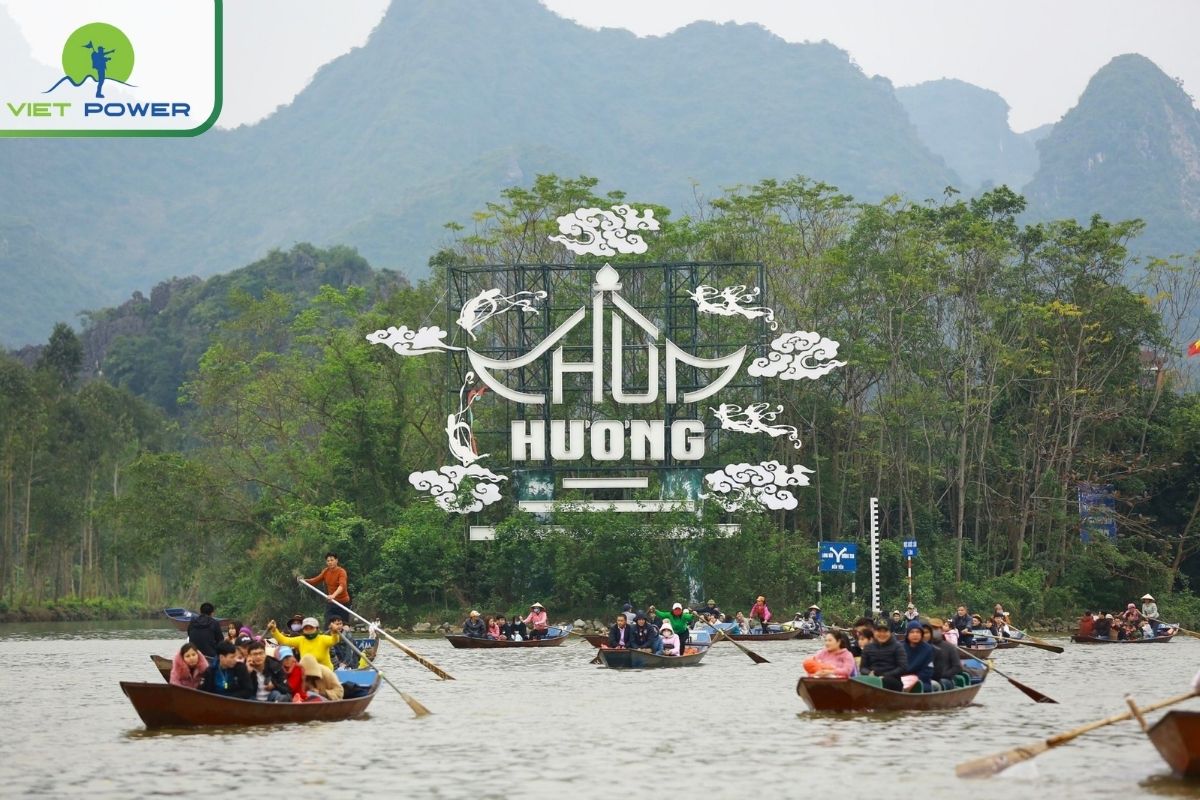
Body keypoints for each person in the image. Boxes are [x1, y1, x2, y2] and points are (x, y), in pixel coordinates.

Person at [267, 615, 340, 669]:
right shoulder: (301, 640)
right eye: (306, 628)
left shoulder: (323, 639)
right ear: (303, 630)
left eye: (311, 628)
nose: (308, 630)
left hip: (325, 673)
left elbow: (334, 640)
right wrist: (274, 630)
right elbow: (284, 640)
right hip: (308, 674)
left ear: (317, 629)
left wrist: (334, 632)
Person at [304, 552, 352, 627]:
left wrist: (333, 595)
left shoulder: (341, 572)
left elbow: (342, 586)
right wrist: (304, 581)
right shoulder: (326, 571)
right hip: (332, 602)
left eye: (332, 560)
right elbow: (315, 580)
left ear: (336, 560)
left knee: (344, 625)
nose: (330, 562)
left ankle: (344, 637)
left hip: (343, 603)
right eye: (328, 561)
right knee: (328, 624)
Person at [860, 621, 909, 691]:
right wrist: (869, 673)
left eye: (885, 631)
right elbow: (862, 668)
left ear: (890, 632)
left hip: (892, 681)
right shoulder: (868, 647)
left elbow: (903, 668)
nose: (882, 634)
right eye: (879, 631)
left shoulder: (898, 647)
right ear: (874, 632)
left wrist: (885, 675)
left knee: (885, 681)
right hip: (872, 679)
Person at [927, 617, 964, 689]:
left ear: (941, 630)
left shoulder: (949, 647)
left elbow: (957, 667)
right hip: (927, 678)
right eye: (932, 629)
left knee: (937, 684)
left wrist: (943, 675)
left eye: (936, 629)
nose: (934, 631)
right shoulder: (925, 646)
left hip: (946, 679)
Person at [902, 622, 935, 692]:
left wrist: (913, 679)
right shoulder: (899, 647)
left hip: (921, 681)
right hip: (901, 679)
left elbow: (928, 671)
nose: (915, 634)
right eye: (912, 632)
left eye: (918, 632)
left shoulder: (928, 649)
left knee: (920, 688)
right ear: (907, 634)